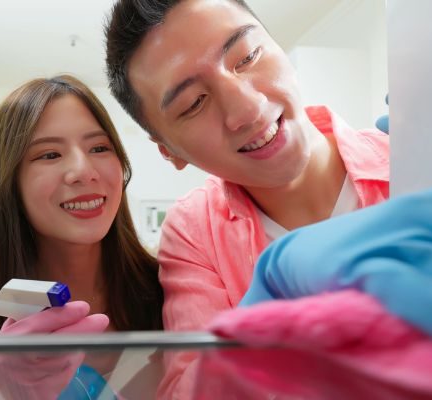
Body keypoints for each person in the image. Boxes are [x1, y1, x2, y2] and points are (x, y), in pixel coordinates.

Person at [104, 0, 389, 398]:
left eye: (248, 56)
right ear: (169, 152)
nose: (248, 108)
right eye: (194, 103)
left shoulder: (412, 160)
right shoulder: (195, 230)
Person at [0, 75, 164, 399]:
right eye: (49, 155)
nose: (83, 170)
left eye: (100, 147)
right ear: (7, 184)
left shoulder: (173, 289)